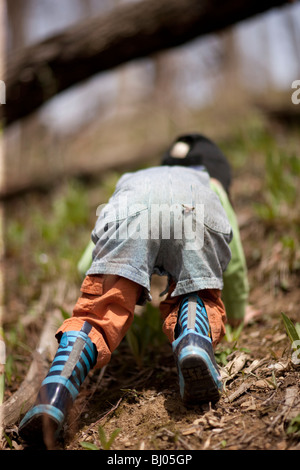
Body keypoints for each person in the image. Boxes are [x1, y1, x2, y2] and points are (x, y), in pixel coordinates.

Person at [19, 133, 249, 445]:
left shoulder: (141, 176)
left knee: (97, 314)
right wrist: (236, 312)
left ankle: (54, 392)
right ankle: (194, 338)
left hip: (129, 215)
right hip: (195, 214)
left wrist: (108, 282)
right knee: (198, 289)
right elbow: (232, 264)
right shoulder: (212, 184)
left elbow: (89, 260)